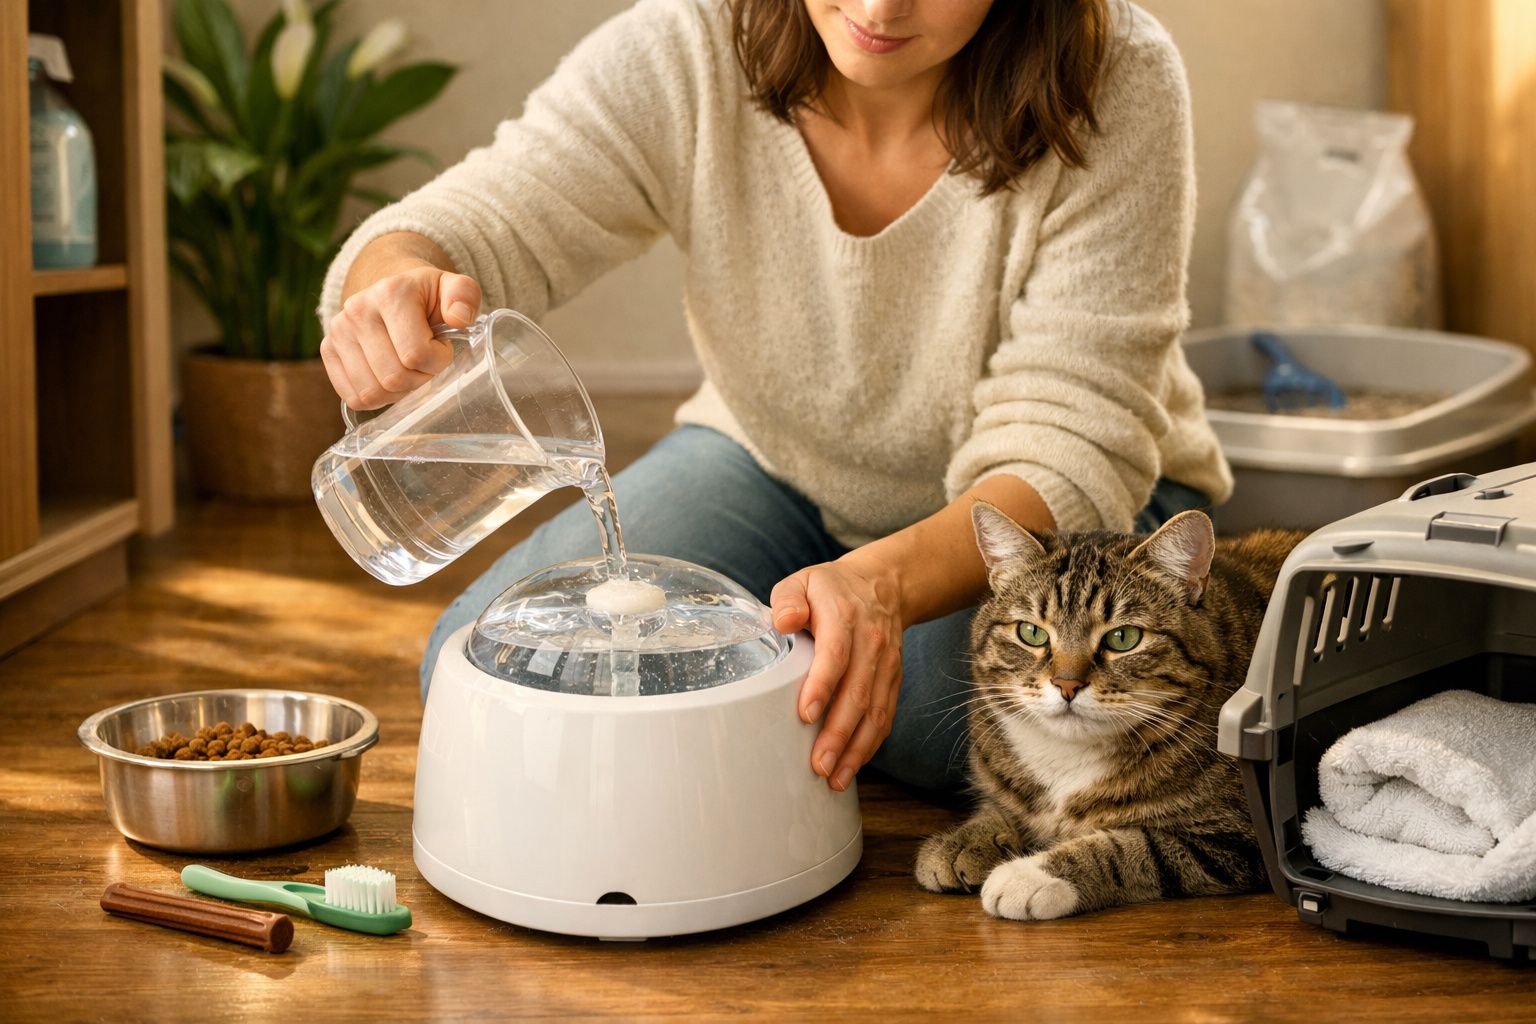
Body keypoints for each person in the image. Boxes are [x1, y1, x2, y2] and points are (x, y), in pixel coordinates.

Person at [316, 0, 1232, 796]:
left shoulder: (1118, 78)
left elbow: (1072, 442)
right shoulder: (690, 45)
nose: (877, 9)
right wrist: (395, 285)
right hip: (771, 461)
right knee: (492, 666)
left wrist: (875, 589)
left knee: (934, 726)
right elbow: (477, 220)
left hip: (1064, 536)